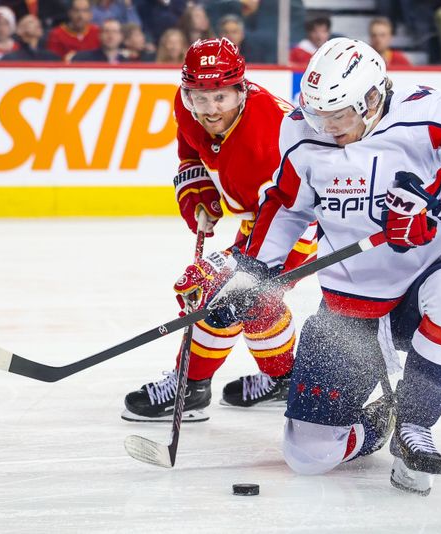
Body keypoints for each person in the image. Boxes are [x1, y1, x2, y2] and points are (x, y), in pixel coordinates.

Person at [190, 38, 441, 494]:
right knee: (308, 456)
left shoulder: (426, 112)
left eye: (337, 116)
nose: (326, 126)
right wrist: (251, 274)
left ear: (371, 100)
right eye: (318, 114)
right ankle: (380, 423)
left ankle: (414, 425)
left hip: (417, 291)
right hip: (349, 310)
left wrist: (430, 196)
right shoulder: (304, 129)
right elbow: (286, 204)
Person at [122, 38, 316, 423]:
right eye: (200, 98)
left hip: (299, 220)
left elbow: (293, 211)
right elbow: (191, 149)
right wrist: (198, 190)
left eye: (221, 98)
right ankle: (283, 380)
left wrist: (233, 273)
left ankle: (190, 386)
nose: (211, 110)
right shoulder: (187, 105)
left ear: (241, 91)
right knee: (240, 296)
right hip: (259, 215)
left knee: (228, 293)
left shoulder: (273, 135)